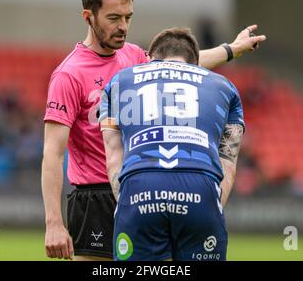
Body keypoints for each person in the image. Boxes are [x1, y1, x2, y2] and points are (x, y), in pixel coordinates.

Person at [41, 0, 265, 261]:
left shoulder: (133, 56)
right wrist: (53, 223)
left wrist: (232, 49)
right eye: (113, 18)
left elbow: (184, 66)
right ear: (88, 16)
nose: (123, 27)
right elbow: (52, 153)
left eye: (128, 17)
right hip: (95, 198)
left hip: (141, 187)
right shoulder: (69, 75)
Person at [99, 27, 244, 261]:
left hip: (139, 187)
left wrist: (128, 202)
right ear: (195, 63)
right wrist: (210, 205)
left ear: (151, 59)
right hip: (200, 187)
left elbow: (114, 154)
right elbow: (228, 160)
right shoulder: (225, 87)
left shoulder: (119, 82)